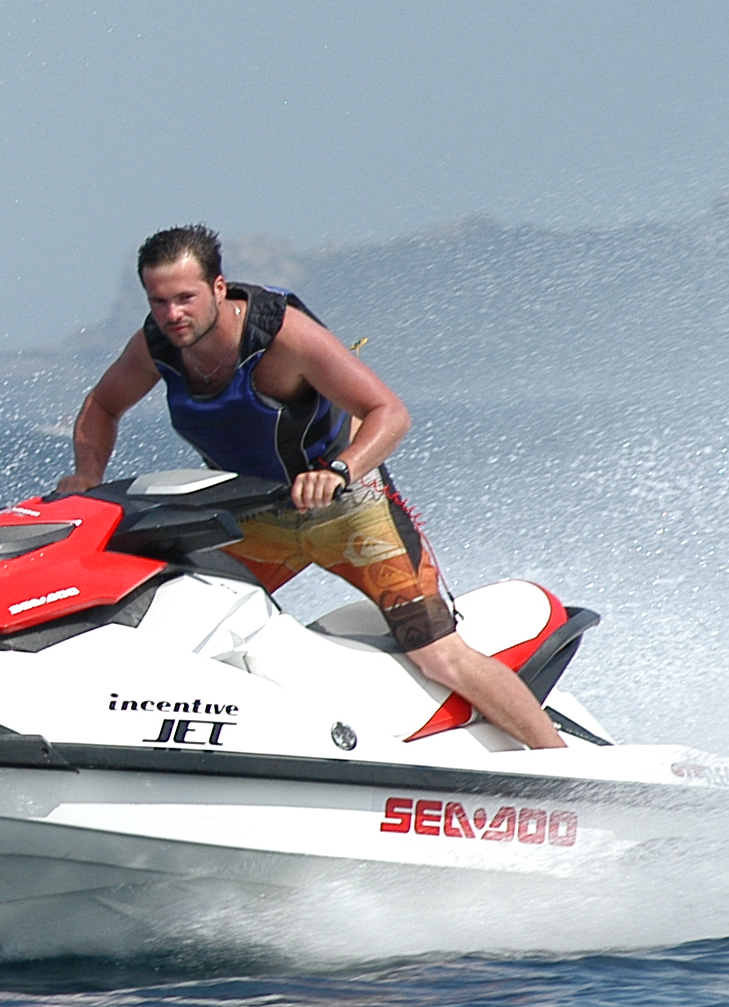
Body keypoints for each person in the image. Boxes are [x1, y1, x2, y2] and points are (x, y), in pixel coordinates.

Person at [56, 224, 562, 749]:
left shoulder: (282, 337)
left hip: (350, 512)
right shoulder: (156, 344)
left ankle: (562, 765)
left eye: (185, 298)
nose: (172, 314)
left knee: (438, 654)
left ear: (219, 288)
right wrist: (88, 474)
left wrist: (339, 471)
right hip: (254, 519)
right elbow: (103, 406)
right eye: (158, 301)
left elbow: (389, 413)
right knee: (175, 630)